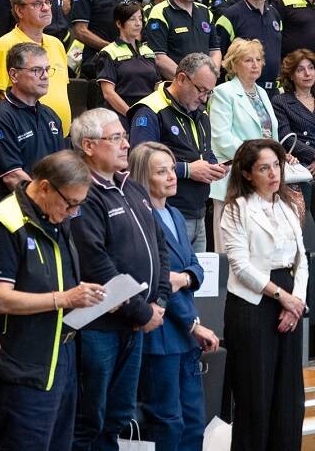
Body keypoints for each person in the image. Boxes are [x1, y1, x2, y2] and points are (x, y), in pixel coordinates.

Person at [0, 150, 102, 451]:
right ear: (45, 186)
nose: (74, 212)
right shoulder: (5, 221)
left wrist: (82, 294)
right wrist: (63, 298)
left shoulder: (55, 215)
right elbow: (0, 298)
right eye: (71, 203)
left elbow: (57, 280)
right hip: (24, 365)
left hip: (62, 357)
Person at [69, 108, 170, 451]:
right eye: (116, 138)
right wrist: (142, 312)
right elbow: (95, 262)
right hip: (100, 325)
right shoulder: (83, 191)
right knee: (89, 419)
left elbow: (160, 245)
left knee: (117, 416)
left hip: (134, 322)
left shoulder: (133, 186)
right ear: (88, 145)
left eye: (124, 137)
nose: (126, 144)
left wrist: (161, 300)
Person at [127, 142, 220, 451]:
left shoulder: (177, 215)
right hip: (161, 335)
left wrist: (185, 278)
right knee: (168, 422)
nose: (171, 176)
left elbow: (196, 267)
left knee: (194, 422)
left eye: (172, 169)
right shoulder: (139, 219)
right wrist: (193, 324)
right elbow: (155, 283)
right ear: (143, 177)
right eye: (161, 171)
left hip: (185, 336)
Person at [220, 139, 307, 451]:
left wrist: (296, 302)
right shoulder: (235, 209)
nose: (273, 174)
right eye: (264, 168)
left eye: (276, 166)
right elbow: (241, 266)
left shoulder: (288, 205)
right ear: (246, 174)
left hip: (289, 300)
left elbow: (303, 260)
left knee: (289, 396)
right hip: (252, 302)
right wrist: (283, 297)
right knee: (255, 396)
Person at [130, 52, 226, 252]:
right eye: (201, 90)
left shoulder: (200, 109)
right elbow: (139, 162)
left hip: (199, 212)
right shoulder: (150, 110)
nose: (204, 98)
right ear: (181, 78)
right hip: (166, 212)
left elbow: (204, 152)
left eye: (209, 92)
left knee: (197, 280)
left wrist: (213, 165)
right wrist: (188, 170)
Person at [207, 38, 281, 240]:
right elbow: (221, 138)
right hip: (235, 177)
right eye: (248, 60)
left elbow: (269, 134)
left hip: (263, 178)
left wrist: (278, 156)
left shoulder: (263, 93)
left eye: (258, 59)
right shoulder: (223, 92)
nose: (255, 65)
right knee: (232, 248)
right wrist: (255, 160)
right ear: (234, 63)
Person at [0, 42, 66, 203]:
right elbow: (12, 176)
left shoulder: (51, 116)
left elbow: (62, 168)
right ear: (14, 75)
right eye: (36, 70)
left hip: (51, 209)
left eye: (47, 69)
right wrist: (46, 205)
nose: (45, 76)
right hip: (18, 212)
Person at [0, 0, 71, 133]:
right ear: (19, 10)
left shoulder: (56, 44)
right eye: (37, 4)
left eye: (48, 2)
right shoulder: (3, 46)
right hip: (23, 137)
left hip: (59, 137)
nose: (46, 8)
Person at [144, 0, 221, 80]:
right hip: (176, 86)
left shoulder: (205, 11)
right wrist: (188, 81)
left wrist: (210, 76)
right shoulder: (159, 12)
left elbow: (215, 51)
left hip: (204, 87)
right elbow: (159, 57)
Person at [215, 0, 282, 95]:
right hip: (242, 91)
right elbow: (219, 55)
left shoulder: (274, 13)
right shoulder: (231, 16)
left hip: (273, 91)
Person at [98, 1, 160, 118]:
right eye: (132, 19)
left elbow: (157, 88)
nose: (138, 24)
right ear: (119, 23)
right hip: (120, 116)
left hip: (148, 114)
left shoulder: (149, 52)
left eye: (140, 19)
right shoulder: (108, 52)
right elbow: (108, 94)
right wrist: (132, 115)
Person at [273, 49, 315, 174]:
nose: (307, 73)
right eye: (300, 70)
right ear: (291, 75)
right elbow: (287, 138)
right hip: (300, 162)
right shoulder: (281, 101)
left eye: (311, 68)